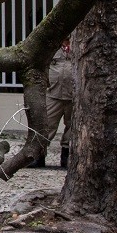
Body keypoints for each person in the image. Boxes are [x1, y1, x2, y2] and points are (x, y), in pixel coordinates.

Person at [42, 38, 75, 168]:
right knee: (46, 124)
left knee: (72, 126)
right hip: (53, 92)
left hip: (74, 94)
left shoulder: (80, 44)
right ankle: (39, 155)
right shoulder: (51, 45)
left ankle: (66, 155)